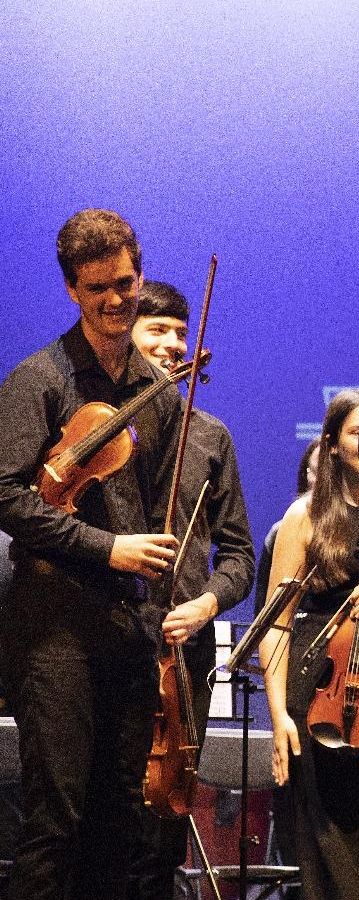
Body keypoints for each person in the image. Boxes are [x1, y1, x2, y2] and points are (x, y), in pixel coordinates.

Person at [0, 209, 182, 898]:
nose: (116, 300)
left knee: (118, 825)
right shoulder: (40, 380)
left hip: (127, 629)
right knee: (58, 821)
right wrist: (109, 548)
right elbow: (6, 496)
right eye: (98, 286)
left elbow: (157, 502)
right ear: (73, 290)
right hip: (52, 629)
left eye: (127, 282)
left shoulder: (155, 391)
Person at [127, 280, 257, 900]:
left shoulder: (210, 436)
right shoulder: (96, 425)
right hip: (111, 639)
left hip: (182, 653)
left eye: (181, 331)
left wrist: (206, 603)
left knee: (162, 830)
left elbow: (238, 556)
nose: (173, 342)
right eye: (157, 329)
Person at [261, 389, 359, 899]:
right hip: (323, 682)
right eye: (357, 431)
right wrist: (278, 714)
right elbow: (277, 624)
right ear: (331, 444)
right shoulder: (305, 515)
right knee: (331, 841)